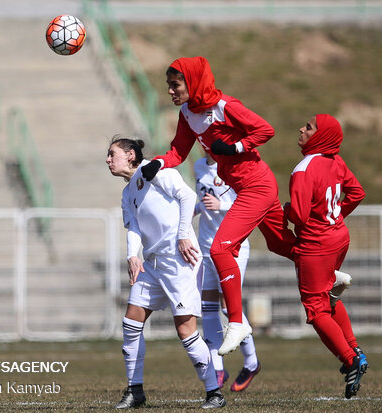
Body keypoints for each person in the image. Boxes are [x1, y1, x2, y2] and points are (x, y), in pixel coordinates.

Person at [140, 56, 299, 356]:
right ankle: (328, 272)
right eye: (168, 86)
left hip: (257, 185)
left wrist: (237, 147)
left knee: (219, 250)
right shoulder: (187, 112)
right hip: (244, 187)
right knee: (280, 245)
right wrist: (157, 163)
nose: (170, 92)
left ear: (193, 83)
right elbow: (178, 151)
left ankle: (237, 323)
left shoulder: (225, 106)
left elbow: (265, 130)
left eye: (175, 86)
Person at [106, 136, 226, 409]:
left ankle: (214, 392)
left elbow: (188, 196)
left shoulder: (155, 171)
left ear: (131, 155)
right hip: (152, 263)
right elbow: (134, 227)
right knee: (131, 323)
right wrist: (132, 257)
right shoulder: (127, 193)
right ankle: (135, 390)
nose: (108, 159)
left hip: (179, 260)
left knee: (185, 330)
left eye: (113, 154)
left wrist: (184, 235)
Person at [283, 114, 368, 399]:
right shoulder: (336, 161)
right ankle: (354, 347)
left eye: (309, 126)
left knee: (315, 309)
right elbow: (356, 193)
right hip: (339, 238)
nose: (302, 128)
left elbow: (298, 214)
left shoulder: (304, 168)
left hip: (316, 245)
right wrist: (334, 217)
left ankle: (350, 359)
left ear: (321, 135)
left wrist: (284, 211)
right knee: (329, 297)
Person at [193, 152, 261, 392]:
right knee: (207, 308)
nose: (205, 144)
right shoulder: (199, 166)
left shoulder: (234, 168)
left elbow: (251, 202)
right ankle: (218, 368)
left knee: (227, 306)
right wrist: (193, 209)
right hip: (205, 246)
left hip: (233, 245)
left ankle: (252, 362)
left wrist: (221, 205)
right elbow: (202, 200)